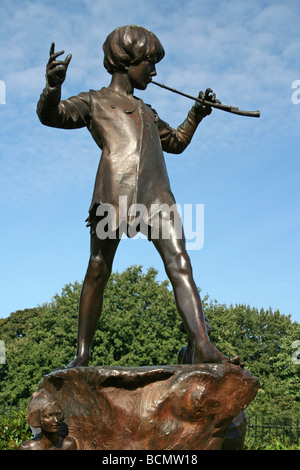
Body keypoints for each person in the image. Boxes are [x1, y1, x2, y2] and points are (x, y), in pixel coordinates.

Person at [37, 25, 241, 368]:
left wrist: (196, 114)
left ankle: (203, 345)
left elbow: (175, 143)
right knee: (98, 269)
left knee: (181, 264)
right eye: (149, 61)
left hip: (158, 199)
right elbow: (52, 116)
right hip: (112, 198)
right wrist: (52, 89)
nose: (154, 70)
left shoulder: (148, 111)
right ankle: (82, 354)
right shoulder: (94, 101)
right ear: (127, 61)